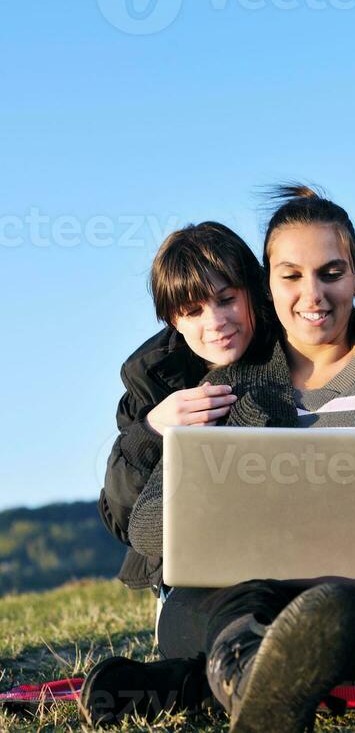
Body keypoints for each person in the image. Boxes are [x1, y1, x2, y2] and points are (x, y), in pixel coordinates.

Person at [82, 187, 355, 732]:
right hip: (246, 603)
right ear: (269, 285)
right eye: (292, 275)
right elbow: (145, 530)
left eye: (331, 272)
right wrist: (217, 491)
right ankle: (268, 665)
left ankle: (204, 683)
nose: (314, 295)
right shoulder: (229, 385)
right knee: (208, 609)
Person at [97, 220, 272, 596]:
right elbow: (122, 519)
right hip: (185, 569)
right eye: (193, 311)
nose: (216, 322)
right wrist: (150, 431)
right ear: (173, 318)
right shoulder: (150, 375)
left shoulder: (287, 343)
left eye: (227, 300)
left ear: (252, 292)